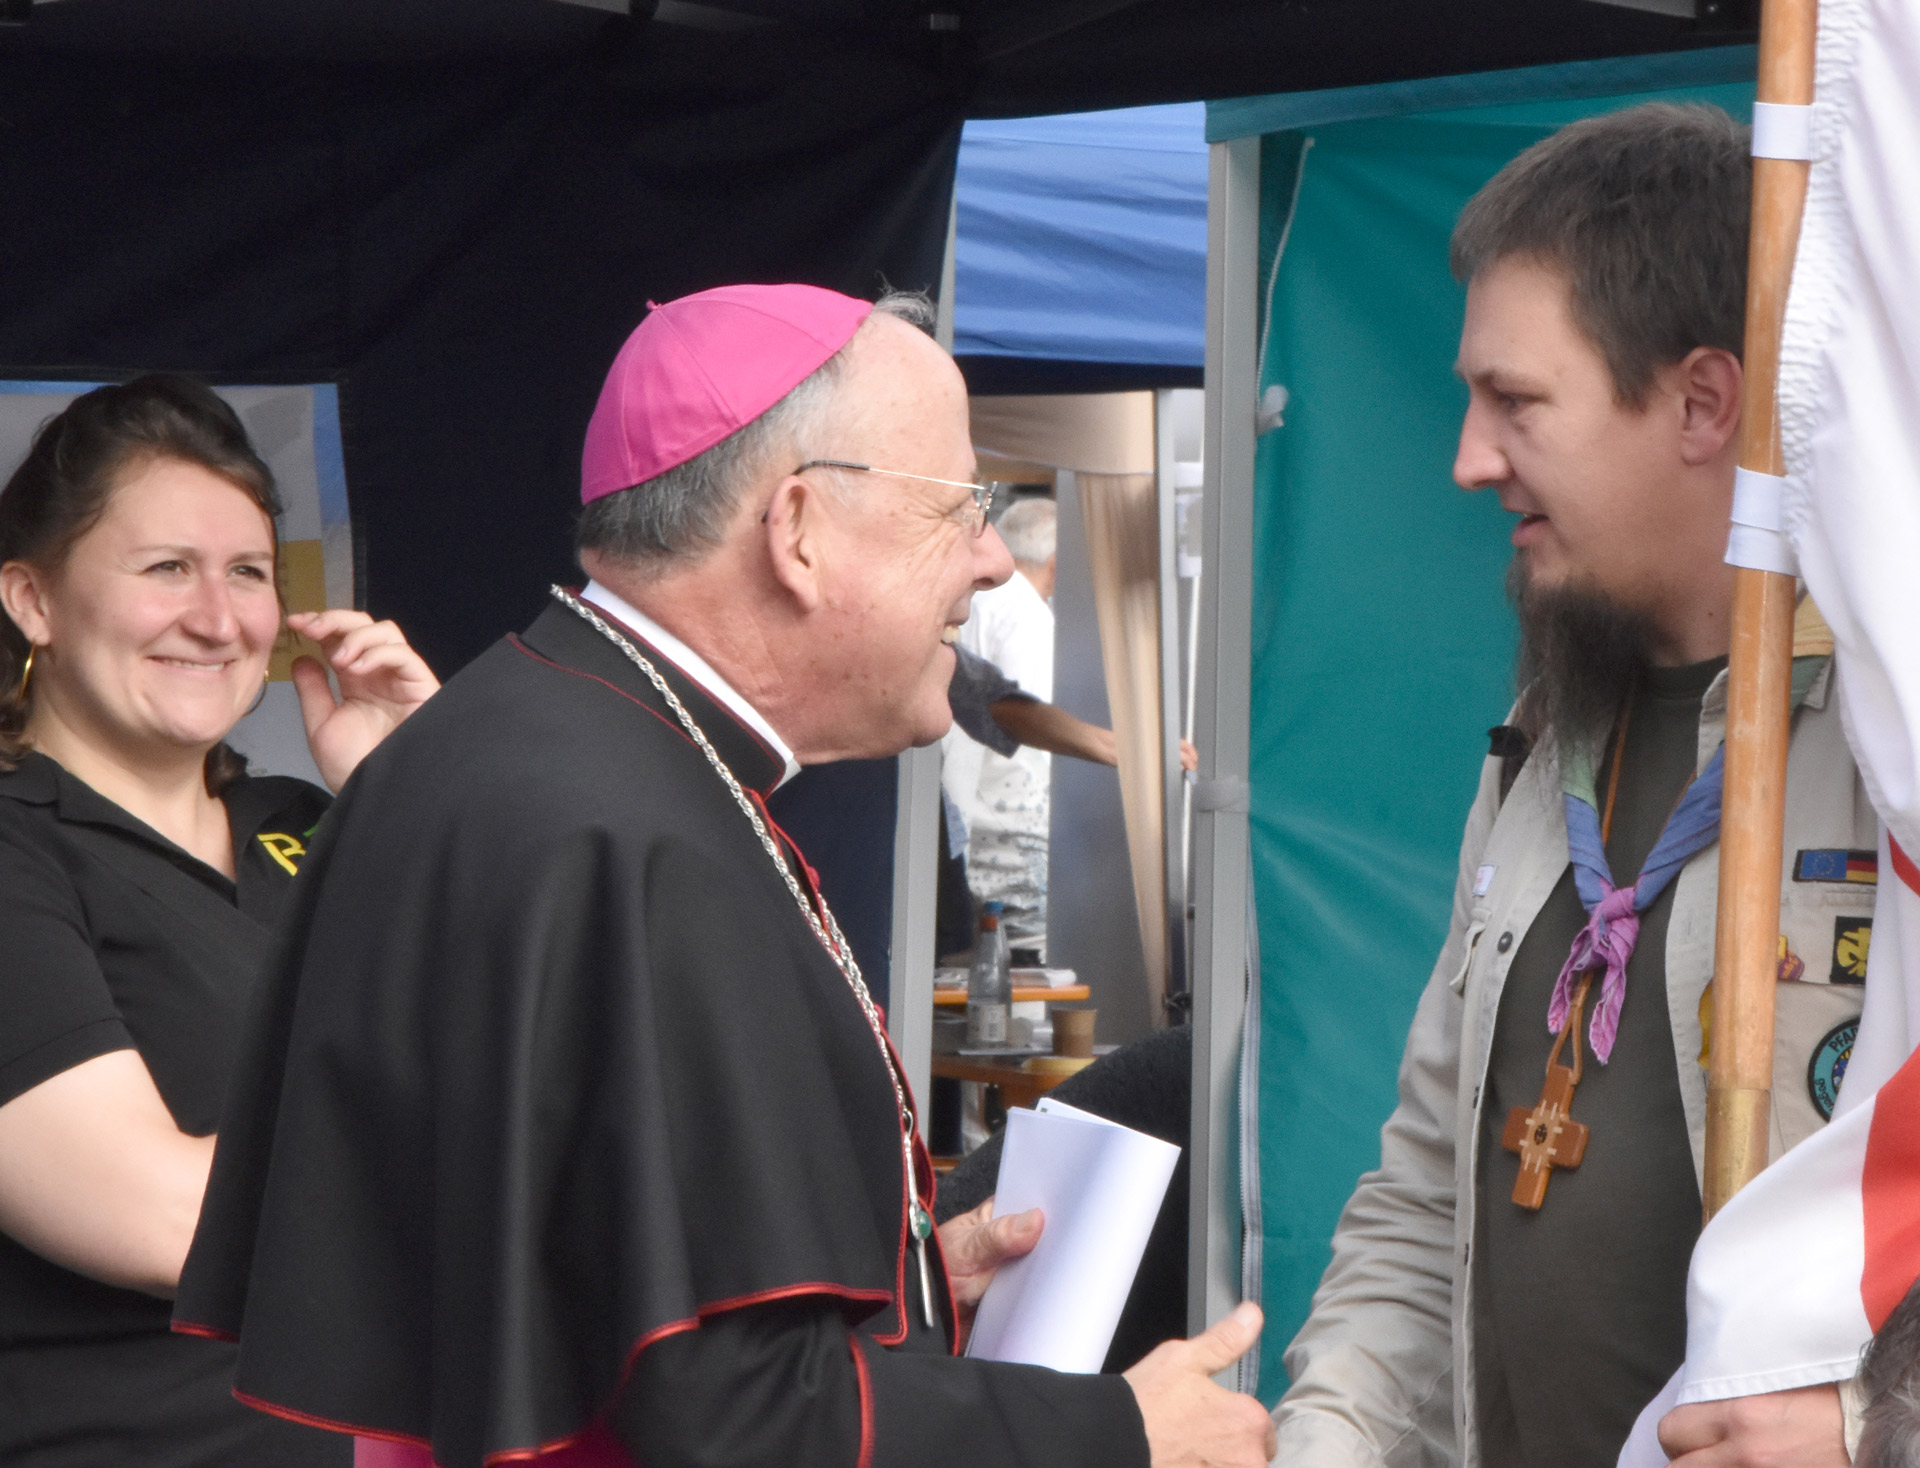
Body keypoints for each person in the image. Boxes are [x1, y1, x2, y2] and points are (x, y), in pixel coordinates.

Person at [174, 284, 1275, 1468]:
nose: (994, 560)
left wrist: (908, 1288)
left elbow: (604, 1296)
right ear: (797, 529)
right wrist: (1117, 1431)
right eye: (962, 508)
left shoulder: (520, 741)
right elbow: (739, 1418)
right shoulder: (635, 837)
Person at [1272, 104, 1875, 1468]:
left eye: (1518, 401)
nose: (1468, 458)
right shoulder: (1550, 737)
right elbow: (1426, 1202)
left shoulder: (1886, 753)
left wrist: (1872, 1427)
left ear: (1703, 403)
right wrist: (1327, 1444)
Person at [0, 375, 439, 1467]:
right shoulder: (18, 849)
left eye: (247, 572)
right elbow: (163, 1219)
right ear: (32, 600)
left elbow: (564, 1064)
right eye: (166, 568)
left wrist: (422, 800)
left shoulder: (320, 826)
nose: (216, 617)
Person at [944, 496, 1059, 952]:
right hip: (1006, 832)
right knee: (1014, 956)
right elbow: (1024, 721)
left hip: (960, 818)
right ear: (1055, 562)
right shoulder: (1027, 614)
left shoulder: (974, 598)